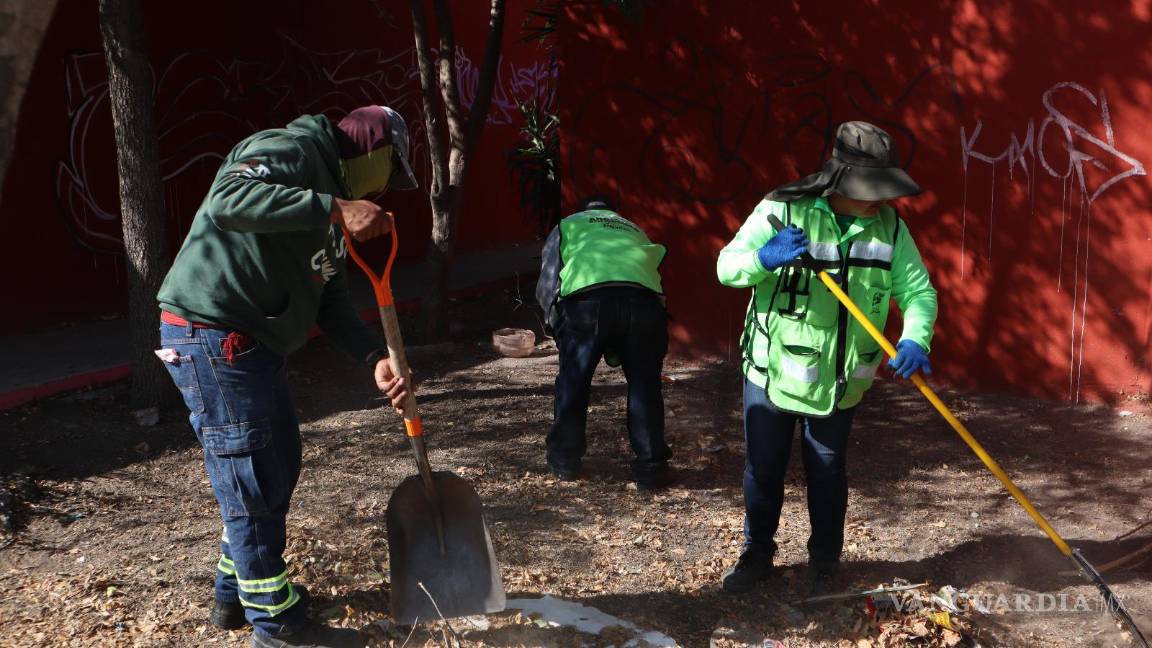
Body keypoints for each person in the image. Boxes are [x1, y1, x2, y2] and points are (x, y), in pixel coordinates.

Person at [155, 105, 418, 648]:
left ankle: (236, 595)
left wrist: (375, 356)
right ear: (374, 151)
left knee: (274, 466)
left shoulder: (326, 210)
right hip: (211, 333)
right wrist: (337, 206)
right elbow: (229, 199)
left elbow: (333, 299)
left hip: (252, 344)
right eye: (390, 174)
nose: (385, 190)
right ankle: (278, 630)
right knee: (251, 477)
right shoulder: (291, 150)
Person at [715, 121, 938, 595]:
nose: (879, 199)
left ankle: (824, 562)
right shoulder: (782, 209)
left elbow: (917, 292)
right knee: (764, 466)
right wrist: (763, 260)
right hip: (772, 370)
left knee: (828, 469)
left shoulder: (890, 226)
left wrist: (916, 338)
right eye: (870, 189)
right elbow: (726, 268)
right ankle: (757, 553)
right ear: (841, 179)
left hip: (841, 380)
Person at [535, 196, 672, 490]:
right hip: (644, 305)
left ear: (584, 211)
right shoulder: (632, 228)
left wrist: (555, 323)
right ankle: (651, 467)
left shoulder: (568, 225)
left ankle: (565, 461)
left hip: (587, 303)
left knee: (574, 381)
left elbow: (548, 280)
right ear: (613, 212)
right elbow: (651, 274)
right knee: (645, 385)